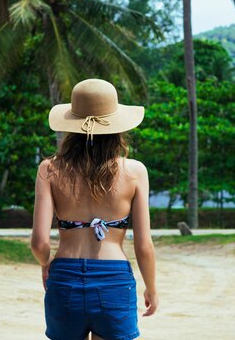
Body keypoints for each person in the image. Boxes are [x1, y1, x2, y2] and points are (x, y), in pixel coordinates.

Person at [31, 78, 158, 340]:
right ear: (117, 126)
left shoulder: (49, 170)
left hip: (64, 278)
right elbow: (144, 245)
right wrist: (151, 289)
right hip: (114, 281)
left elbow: (39, 242)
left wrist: (46, 264)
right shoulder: (135, 172)